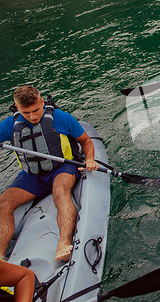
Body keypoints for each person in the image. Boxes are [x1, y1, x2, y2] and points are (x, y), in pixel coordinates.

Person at [0, 86, 99, 262]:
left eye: (36, 110)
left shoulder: (61, 118)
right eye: (26, 112)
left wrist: (90, 159)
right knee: (4, 202)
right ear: (17, 108)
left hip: (62, 167)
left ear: (42, 102)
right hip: (32, 175)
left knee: (60, 192)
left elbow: (85, 141)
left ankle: (64, 242)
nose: (32, 116)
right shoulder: (10, 124)